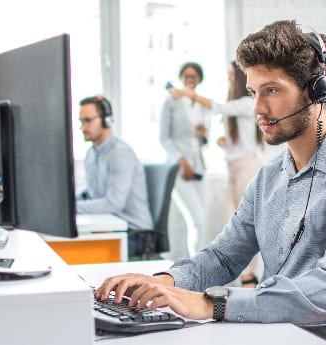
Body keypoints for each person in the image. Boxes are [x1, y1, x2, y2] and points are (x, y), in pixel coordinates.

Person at [95, 20, 326, 345]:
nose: (257, 109)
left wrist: (212, 303)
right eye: (253, 92)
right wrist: (165, 281)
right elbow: (222, 258)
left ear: (317, 90)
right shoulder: (269, 178)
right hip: (264, 332)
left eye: (271, 90)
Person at [170, 61, 264, 287]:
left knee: (250, 226)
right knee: (231, 224)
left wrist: (186, 94)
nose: (230, 79)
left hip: (247, 169)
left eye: (232, 76)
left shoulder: (247, 102)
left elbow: (217, 107)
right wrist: (225, 142)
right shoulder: (237, 105)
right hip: (233, 169)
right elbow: (236, 134)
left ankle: (250, 277)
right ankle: (240, 277)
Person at [76, 96, 154, 257]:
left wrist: (71, 209)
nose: (83, 127)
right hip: (109, 227)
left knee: (80, 256)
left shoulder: (119, 153)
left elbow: (113, 204)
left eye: (88, 120)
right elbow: (92, 193)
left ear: (106, 121)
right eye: (81, 121)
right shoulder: (91, 153)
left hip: (134, 234)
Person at [160, 62, 210, 257]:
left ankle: (198, 265)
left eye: (194, 77)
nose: (190, 80)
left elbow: (204, 142)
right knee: (196, 220)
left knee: (202, 222)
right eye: (187, 76)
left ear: (199, 80)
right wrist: (181, 161)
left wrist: (204, 135)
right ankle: (196, 270)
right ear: (181, 78)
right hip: (179, 168)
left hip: (199, 168)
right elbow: (164, 138)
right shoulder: (171, 101)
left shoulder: (202, 105)